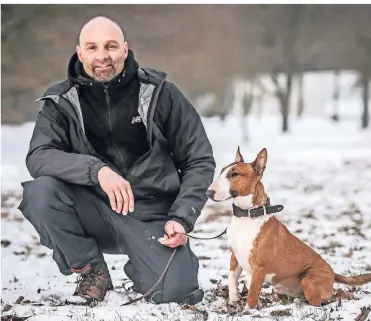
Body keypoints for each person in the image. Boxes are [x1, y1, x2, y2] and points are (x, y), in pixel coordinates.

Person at [18, 16, 215, 306]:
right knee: (41, 192)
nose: (102, 56)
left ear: (125, 49)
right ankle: (91, 270)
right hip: (93, 211)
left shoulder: (161, 93)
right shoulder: (60, 101)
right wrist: (97, 172)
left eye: (110, 46)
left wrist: (181, 216)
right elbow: (39, 156)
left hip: (152, 217)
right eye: (92, 47)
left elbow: (199, 159)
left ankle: (144, 263)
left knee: (176, 293)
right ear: (80, 52)